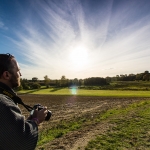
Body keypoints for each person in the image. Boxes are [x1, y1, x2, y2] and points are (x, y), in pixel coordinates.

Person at [0, 53, 48, 150]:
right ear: (7, 75)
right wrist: (36, 120)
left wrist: (29, 121)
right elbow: (21, 143)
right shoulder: (3, 103)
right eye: (18, 70)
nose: (20, 74)